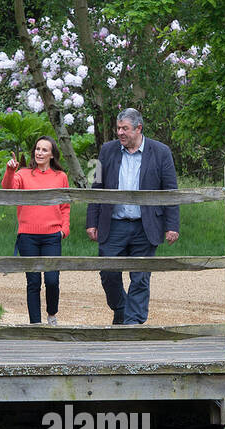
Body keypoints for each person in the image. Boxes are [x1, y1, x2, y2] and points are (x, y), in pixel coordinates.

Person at [85, 108, 180, 325]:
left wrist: (172, 225)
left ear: (138, 129)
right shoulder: (106, 151)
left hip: (145, 226)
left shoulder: (161, 152)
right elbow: (95, 187)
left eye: (125, 128)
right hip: (114, 224)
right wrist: (92, 220)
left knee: (140, 277)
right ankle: (121, 308)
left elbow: (171, 191)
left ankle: (132, 325)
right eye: (118, 128)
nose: (120, 132)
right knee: (108, 273)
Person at [2, 136, 70, 324]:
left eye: (44, 150)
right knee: (33, 282)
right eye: (37, 149)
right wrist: (10, 170)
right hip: (28, 236)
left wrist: (64, 229)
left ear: (51, 155)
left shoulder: (60, 176)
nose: (39, 153)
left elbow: (65, 206)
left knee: (52, 280)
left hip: (52, 236)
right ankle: (35, 324)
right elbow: (8, 189)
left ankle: (51, 314)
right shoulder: (23, 174)